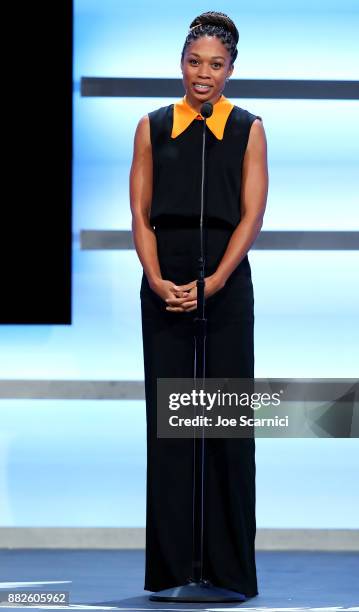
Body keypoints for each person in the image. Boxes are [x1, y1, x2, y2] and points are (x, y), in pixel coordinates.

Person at [129, 11, 268, 599]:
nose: (202, 75)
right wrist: (158, 279)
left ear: (231, 70)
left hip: (225, 282)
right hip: (164, 278)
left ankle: (228, 569)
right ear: (180, 65)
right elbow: (139, 213)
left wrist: (214, 283)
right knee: (170, 424)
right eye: (194, 63)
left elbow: (253, 214)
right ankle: (172, 569)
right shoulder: (152, 126)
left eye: (215, 65)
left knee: (225, 422)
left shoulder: (248, 127)